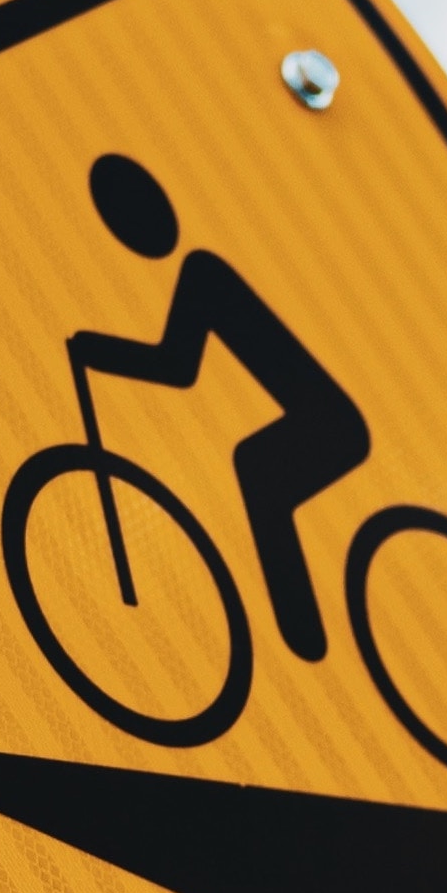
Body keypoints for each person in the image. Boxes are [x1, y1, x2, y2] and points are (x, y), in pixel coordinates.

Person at [68, 154, 371, 663]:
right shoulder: (201, 269)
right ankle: (302, 629)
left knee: (254, 466)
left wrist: (98, 351)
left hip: (332, 423)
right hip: (324, 418)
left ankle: (302, 633)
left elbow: (177, 365)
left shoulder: (203, 272)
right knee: (255, 463)